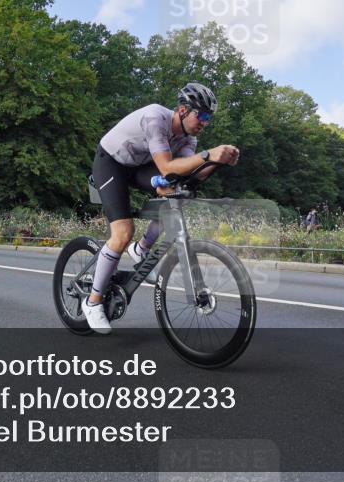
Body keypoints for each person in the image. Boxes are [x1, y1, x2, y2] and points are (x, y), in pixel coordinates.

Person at [83, 83, 240, 334]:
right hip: (112, 162)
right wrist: (208, 155)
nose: (205, 122)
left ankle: (142, 248)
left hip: (139, 166)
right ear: (183, 109)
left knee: (175, 193)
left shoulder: (189, 138)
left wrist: (219, 162)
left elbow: (188, 172)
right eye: (202, 115)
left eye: (209, 118)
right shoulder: (155, 117)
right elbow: (167, 167)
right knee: (123, 232)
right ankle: (93, 302)